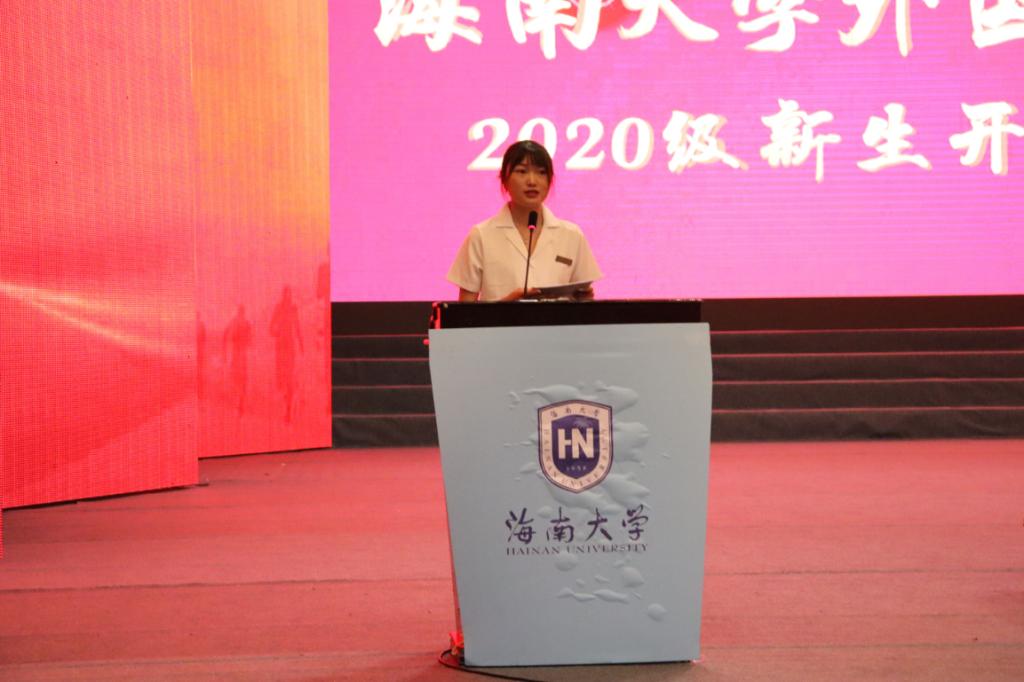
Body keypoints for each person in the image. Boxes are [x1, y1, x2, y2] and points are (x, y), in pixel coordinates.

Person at [447, 140, 602, 302]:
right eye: (522, 171)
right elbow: (465, 311)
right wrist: (506, 307)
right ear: (504, 179)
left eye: (541, 172)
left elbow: (586, 304)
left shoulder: (572, 235)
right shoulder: (481, 235)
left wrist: (585, 298)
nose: (532, 181)